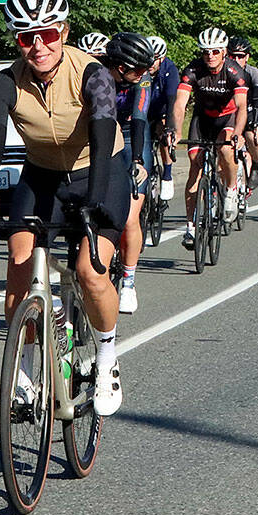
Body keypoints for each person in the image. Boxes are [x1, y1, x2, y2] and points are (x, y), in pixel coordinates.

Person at [0, 0, 129, 416]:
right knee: (20, 262)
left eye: (48, 34)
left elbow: (104, 128)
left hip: (99, 170)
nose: (38, 46)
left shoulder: (93, 74)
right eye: (26, 37)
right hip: (42, 176)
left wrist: (93, 200)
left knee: (89, 271)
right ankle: (27, 371)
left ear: (64, 32)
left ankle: (107, 357)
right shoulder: (5, 81)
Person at [171, 26, 247, 247]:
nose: (210, 56)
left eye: (215, 51)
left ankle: (231, 188)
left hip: (227, 119)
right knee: (194, 167)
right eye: (205, 52)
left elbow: (242, 107)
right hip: (202, 119)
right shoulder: (193, 70)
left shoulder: (234, 72)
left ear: (224, 51)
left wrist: (239, 134)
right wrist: (176, 130)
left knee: (225, 149)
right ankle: (191, 227)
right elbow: (180, 103)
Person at [102, 33, 156, 314]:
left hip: (133, 134)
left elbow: (139, 117)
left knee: (130, 216)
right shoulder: (99, 73)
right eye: (139, 68)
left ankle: (128, 280)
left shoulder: (142, 79)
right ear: (121, 67)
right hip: (103, 131)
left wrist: (137, 160)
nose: (144, 73)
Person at [145, 35, 180, 201]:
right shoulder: (139, 67)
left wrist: (170, 128)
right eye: (148, 59)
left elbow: (172, 99)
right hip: (143, 110)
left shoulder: (170, 69)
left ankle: (167, 176)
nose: (150, 64)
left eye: (155, 59)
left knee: (164, 134)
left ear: (162, 58)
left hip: (163, 110)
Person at [228, 36, 258, 189]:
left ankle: (255, 166)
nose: (236, 59)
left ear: (247, 57)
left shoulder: (255, 74)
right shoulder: (224, 72)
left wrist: (256, 125)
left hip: (250, 111)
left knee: (253, 137)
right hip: (230, 114)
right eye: (232, 56)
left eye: (241, 56)